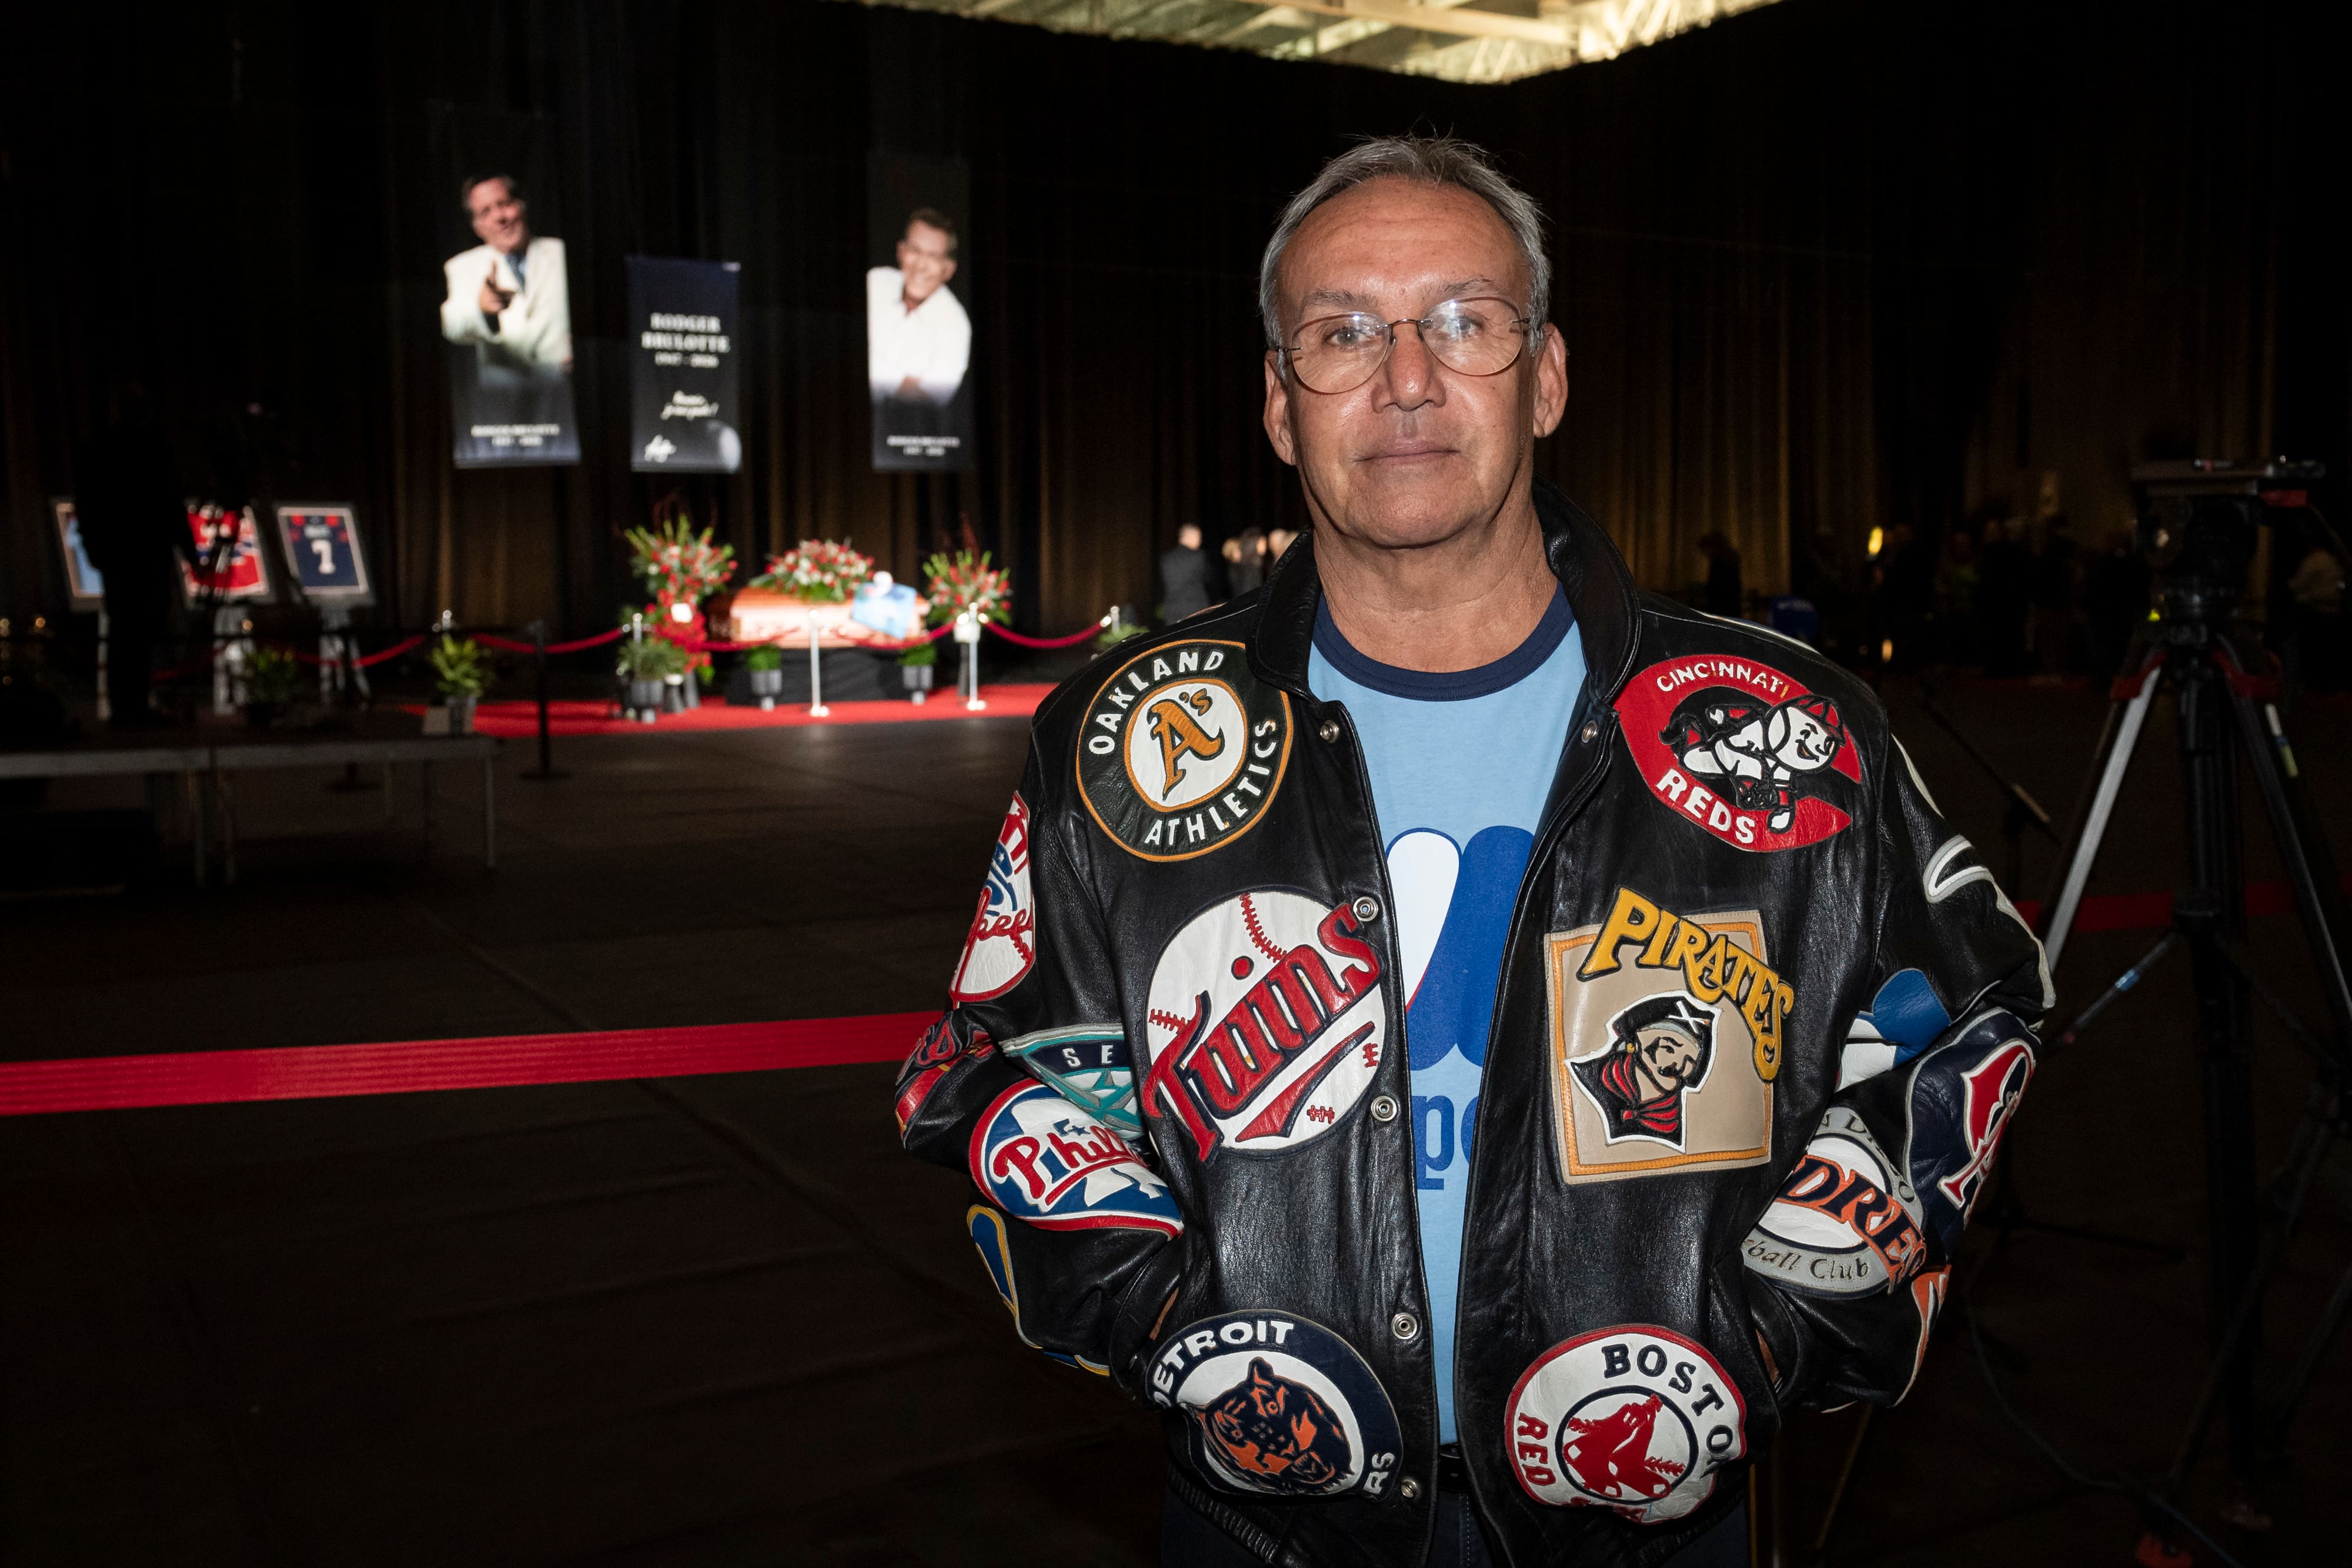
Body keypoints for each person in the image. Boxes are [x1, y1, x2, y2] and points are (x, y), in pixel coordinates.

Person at [896, 136, 2048, 1568]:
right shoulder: (1117, 743)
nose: (1404, 378)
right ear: (1277, 403)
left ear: (1544, 377)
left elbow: (1969, 1011)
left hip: (1647, 1534)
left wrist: (1764, 1334)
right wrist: (1178, 1331)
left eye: (1461, 321)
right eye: (1340, 332)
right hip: (1263, 1525)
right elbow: (1000, 1068)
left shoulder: (1786, 728)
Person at [73, 379, 193, 727]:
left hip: (119, 554)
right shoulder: (153, 450)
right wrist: (190, 552)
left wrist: (93, 546)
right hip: (146, 552)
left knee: (125, 630)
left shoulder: (97, 450)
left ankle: (126, 707)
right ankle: (135, 706)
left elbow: (88, 506)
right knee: (140, 630)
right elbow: (171, 504)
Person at [440, 175, 573, 382]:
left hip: (567, 387)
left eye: (504, 204)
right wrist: (482, 309)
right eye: (485, 212)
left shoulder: (562, 253)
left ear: (521, 207)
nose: (499, 217)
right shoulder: (461, 267)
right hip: (507, 395)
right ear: (477, 228)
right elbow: (452, 327)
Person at [867, 208, 972, 463]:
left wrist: (874, 365)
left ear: (948, 269)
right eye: (914, 250)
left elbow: (926, 401)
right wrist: (902, 381)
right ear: (900, 251)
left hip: (899, 442)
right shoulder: (874, 281)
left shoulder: (957, 326)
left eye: (933, 256)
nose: (921, 265)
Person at [1160, 522, 1212, 622]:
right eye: (1199, 537)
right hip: (1195, 609)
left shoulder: (1166, 558)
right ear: (1189, 537)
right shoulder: (1199, 556)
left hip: (1172, 610)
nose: (1200, 541)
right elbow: (1208, 578)